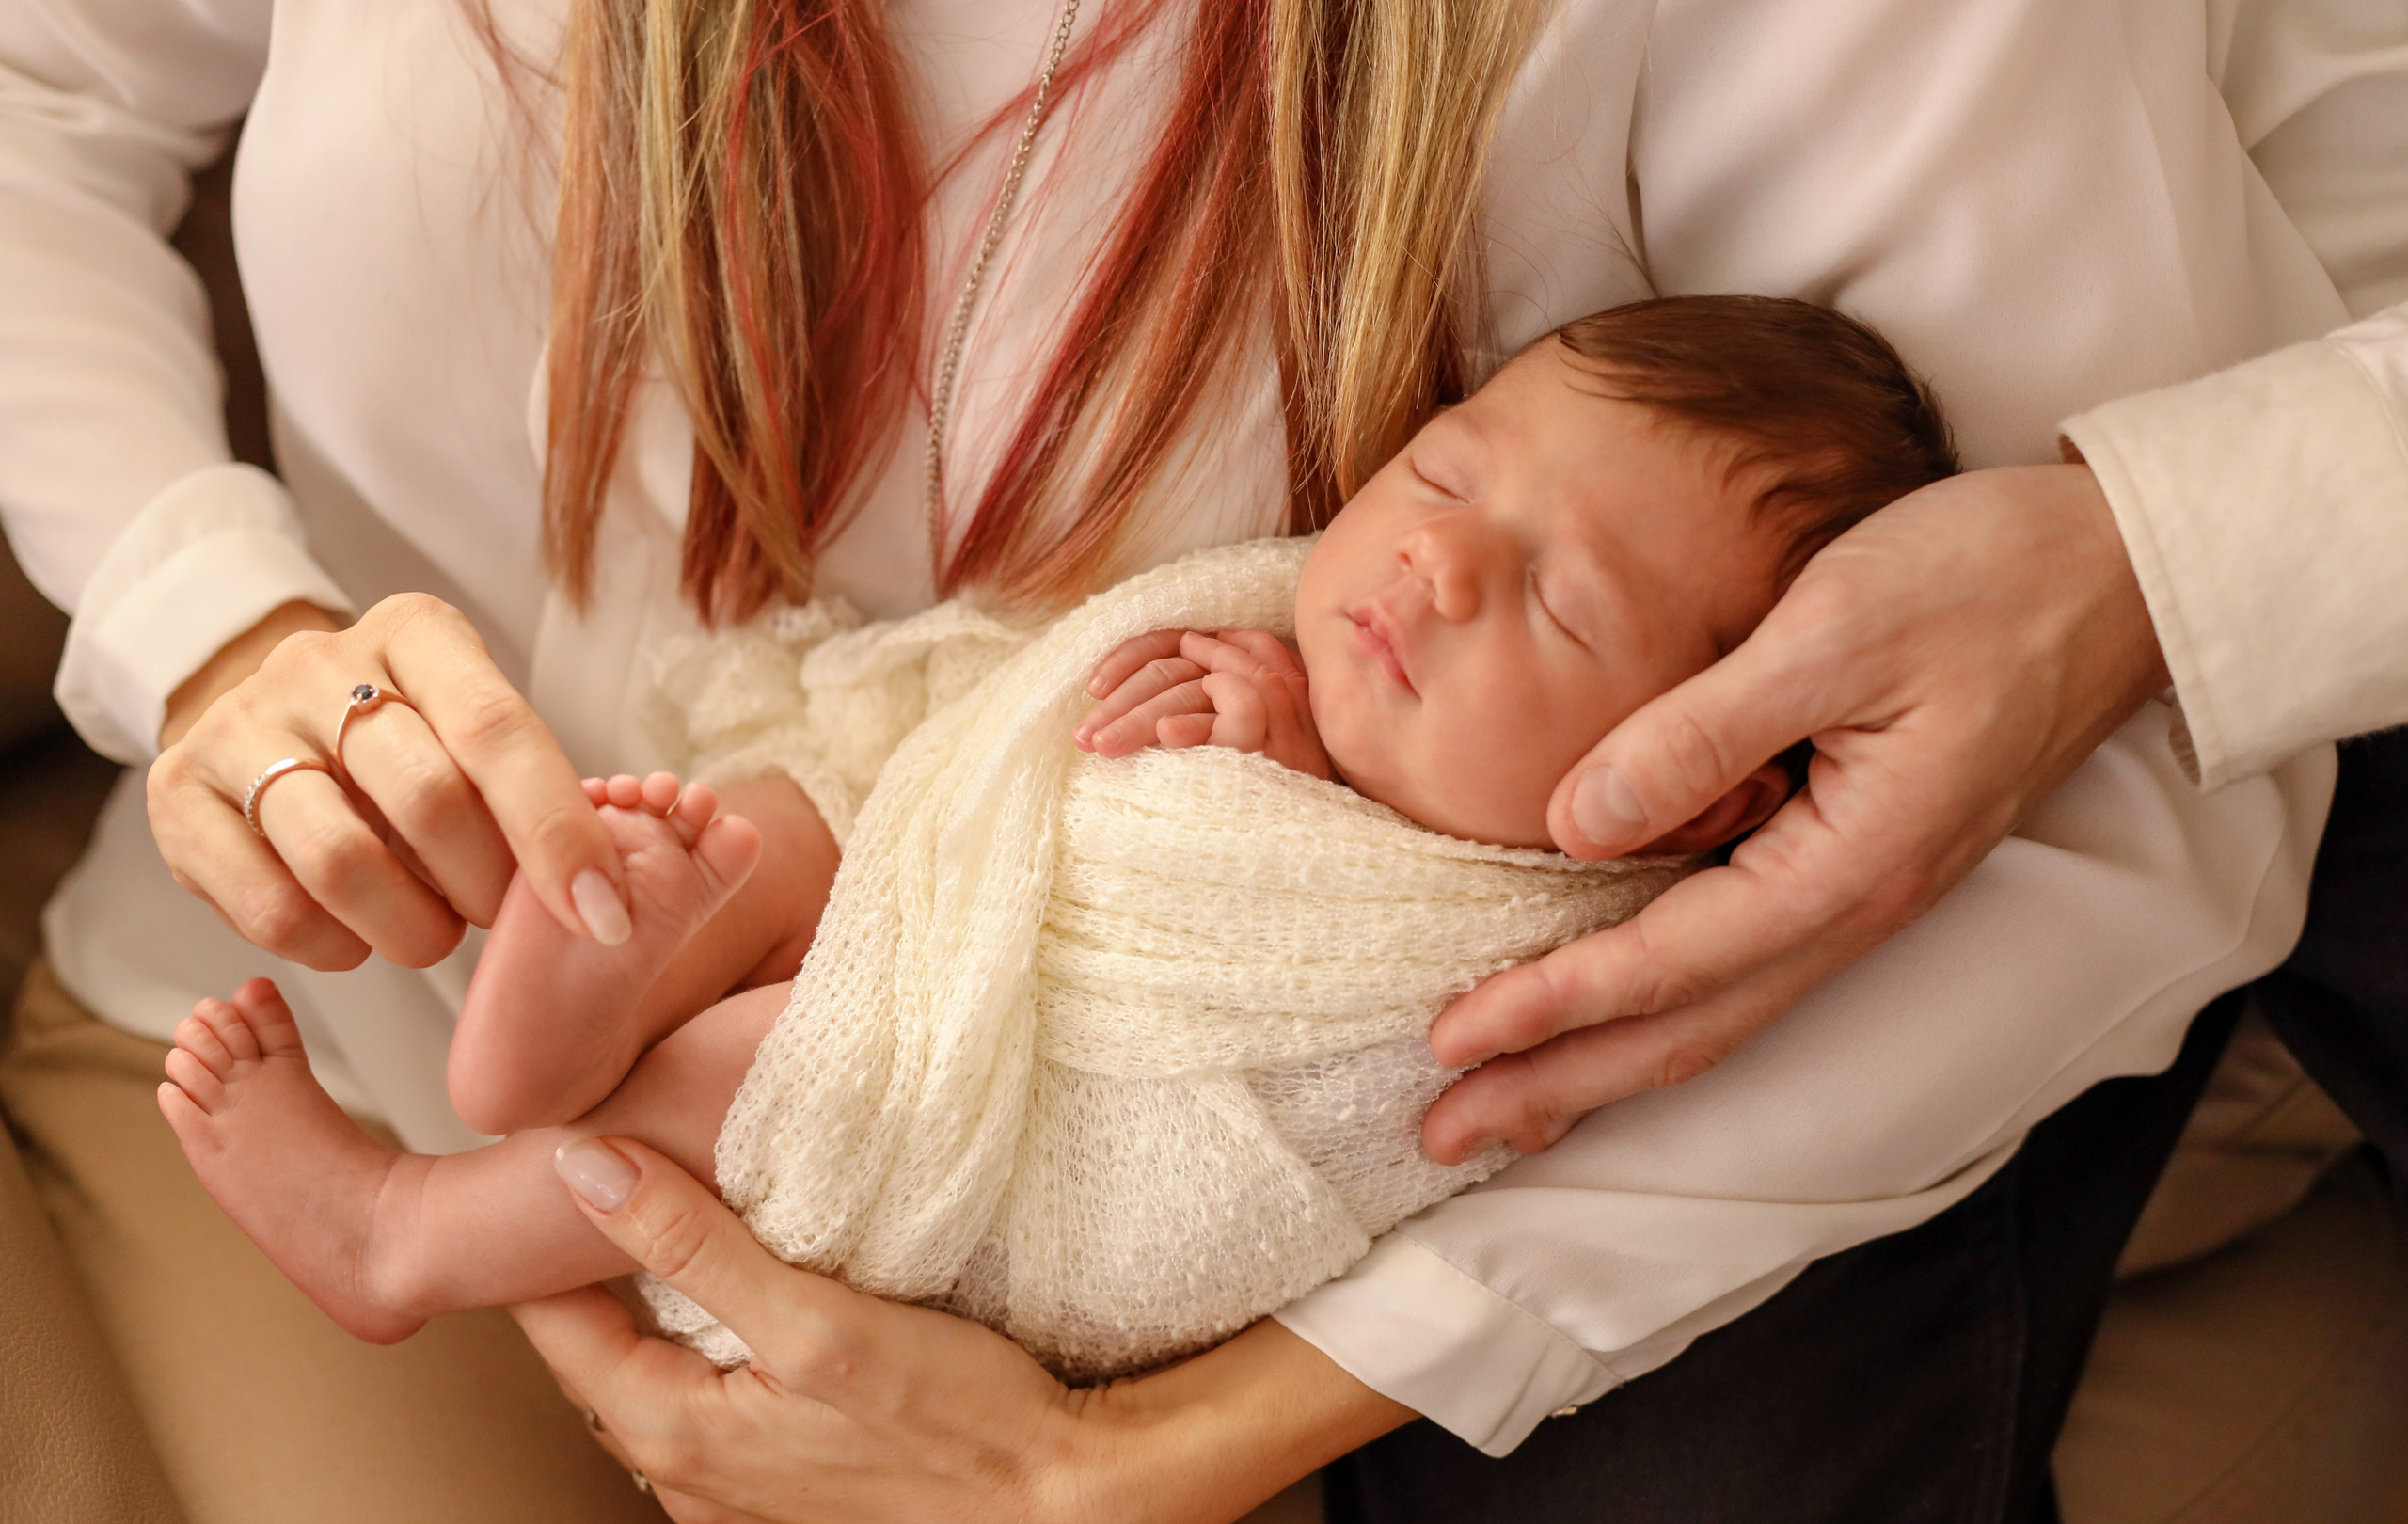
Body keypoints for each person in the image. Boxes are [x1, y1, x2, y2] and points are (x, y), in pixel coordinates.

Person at [0, 1, 2394, 1524]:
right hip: (354, 1025)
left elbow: (2086, 745)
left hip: (1123, 1233)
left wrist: (1174, 1442)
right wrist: (203, 620)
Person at [157, 298, 1953, 1368]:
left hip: (1068, 1129)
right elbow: (1041, 734)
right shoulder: (1323, 643)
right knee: (791, 824)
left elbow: (1321, 1011)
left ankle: (405, 1230)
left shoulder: (1567, 928)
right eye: (1451, 468)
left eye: (1563, 608)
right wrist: (1251, 716)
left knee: (781, 1064)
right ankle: (572, 978)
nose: (1437, 560)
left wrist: (1260, 790)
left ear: (1705, 782)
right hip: (956, 901)